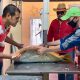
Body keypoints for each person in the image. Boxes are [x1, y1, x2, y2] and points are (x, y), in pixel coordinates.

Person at [47, 3, 76, 80]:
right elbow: (50, 36)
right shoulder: (53, 22)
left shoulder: (70, 22)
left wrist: (78, 49)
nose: (59, 14)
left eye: (61, 12)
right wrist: (46, 47)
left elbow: (75, 36)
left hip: (69, 50)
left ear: (65, 12)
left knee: (70, 71)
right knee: (60, 71)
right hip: (58, 50)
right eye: (58, 12)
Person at [0, 4, 27, 74]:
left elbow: (4, 37)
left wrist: (18, 45)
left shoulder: (7, 26)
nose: (18, 20)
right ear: (8, 15)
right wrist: (11, 56)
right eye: (17, 18)